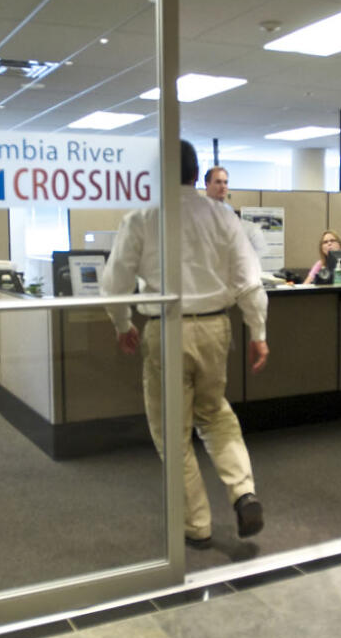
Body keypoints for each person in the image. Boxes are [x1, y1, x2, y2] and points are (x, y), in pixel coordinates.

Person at [101, 141, 269, 548]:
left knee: (172, 432)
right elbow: (249, 280)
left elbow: (113, 284)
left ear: (158, 175)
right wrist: (258, 334)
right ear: (197, 175)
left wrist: (123, 322)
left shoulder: (142, 217)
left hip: (166, 329)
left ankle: (198, 525)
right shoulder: (223, 216)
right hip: (215, 328)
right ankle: (243, 491)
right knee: (214, 413)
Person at [203, 164, 268, 259]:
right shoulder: (198, 212)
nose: (223, 186)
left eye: (225, 182)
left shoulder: (230, 213)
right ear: (207, 184)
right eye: (218, 182)